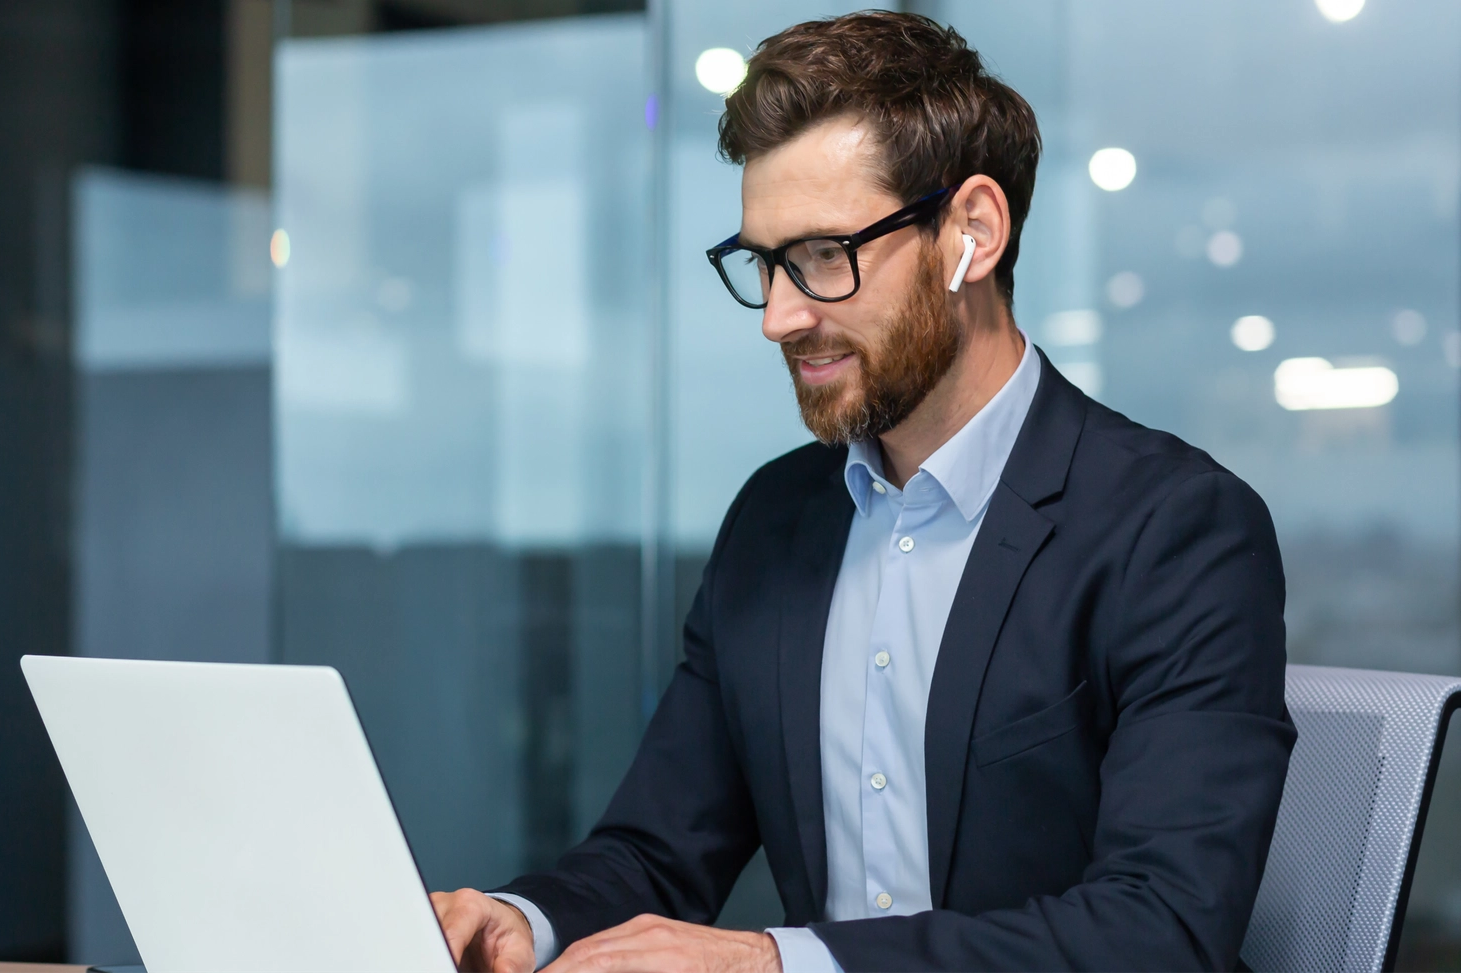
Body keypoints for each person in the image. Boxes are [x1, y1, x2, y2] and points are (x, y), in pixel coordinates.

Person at [433, 11, 1294, 973]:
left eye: (822, 257)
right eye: (764, 264)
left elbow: (1160, 929)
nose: (779, 317)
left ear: (972, 231)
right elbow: (656, 848)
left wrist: (774, 963)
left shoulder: (1173, 528)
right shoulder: (776, 521)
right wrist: (522, 915)